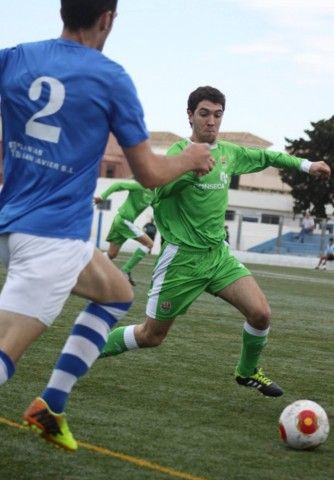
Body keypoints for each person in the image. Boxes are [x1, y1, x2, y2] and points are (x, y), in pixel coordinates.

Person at [0, 1, 213, 452]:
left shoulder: (15, 57)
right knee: (3, 352)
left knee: (117, 293)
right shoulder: (110, 78)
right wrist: (190, 157)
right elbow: (150, 174)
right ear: (107, 19)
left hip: (18, 222)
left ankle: (51, 405)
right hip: (50, 238)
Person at [100, 85, 331, 399]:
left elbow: (266, 156)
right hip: (181, 261)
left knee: (261, 313)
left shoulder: (229, 154)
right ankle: (87, 350)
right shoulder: (177, 154)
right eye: (204, 114)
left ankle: (247, 371)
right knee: (151, 335)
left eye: (218, 115)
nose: (212, 121)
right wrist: (188, 171)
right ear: (190, 116)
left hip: (218, 257)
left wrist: (306, 165)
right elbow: (157, 192)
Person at [94, 179, 155, 286]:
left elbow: (159, 209)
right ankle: (125, 270)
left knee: (111, 254)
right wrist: (102, 197)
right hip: (123, 221)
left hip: (125, 223)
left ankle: (88, 265)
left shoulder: (155, 195)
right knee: (149, 244)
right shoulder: (139, 186)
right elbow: (118, 185)